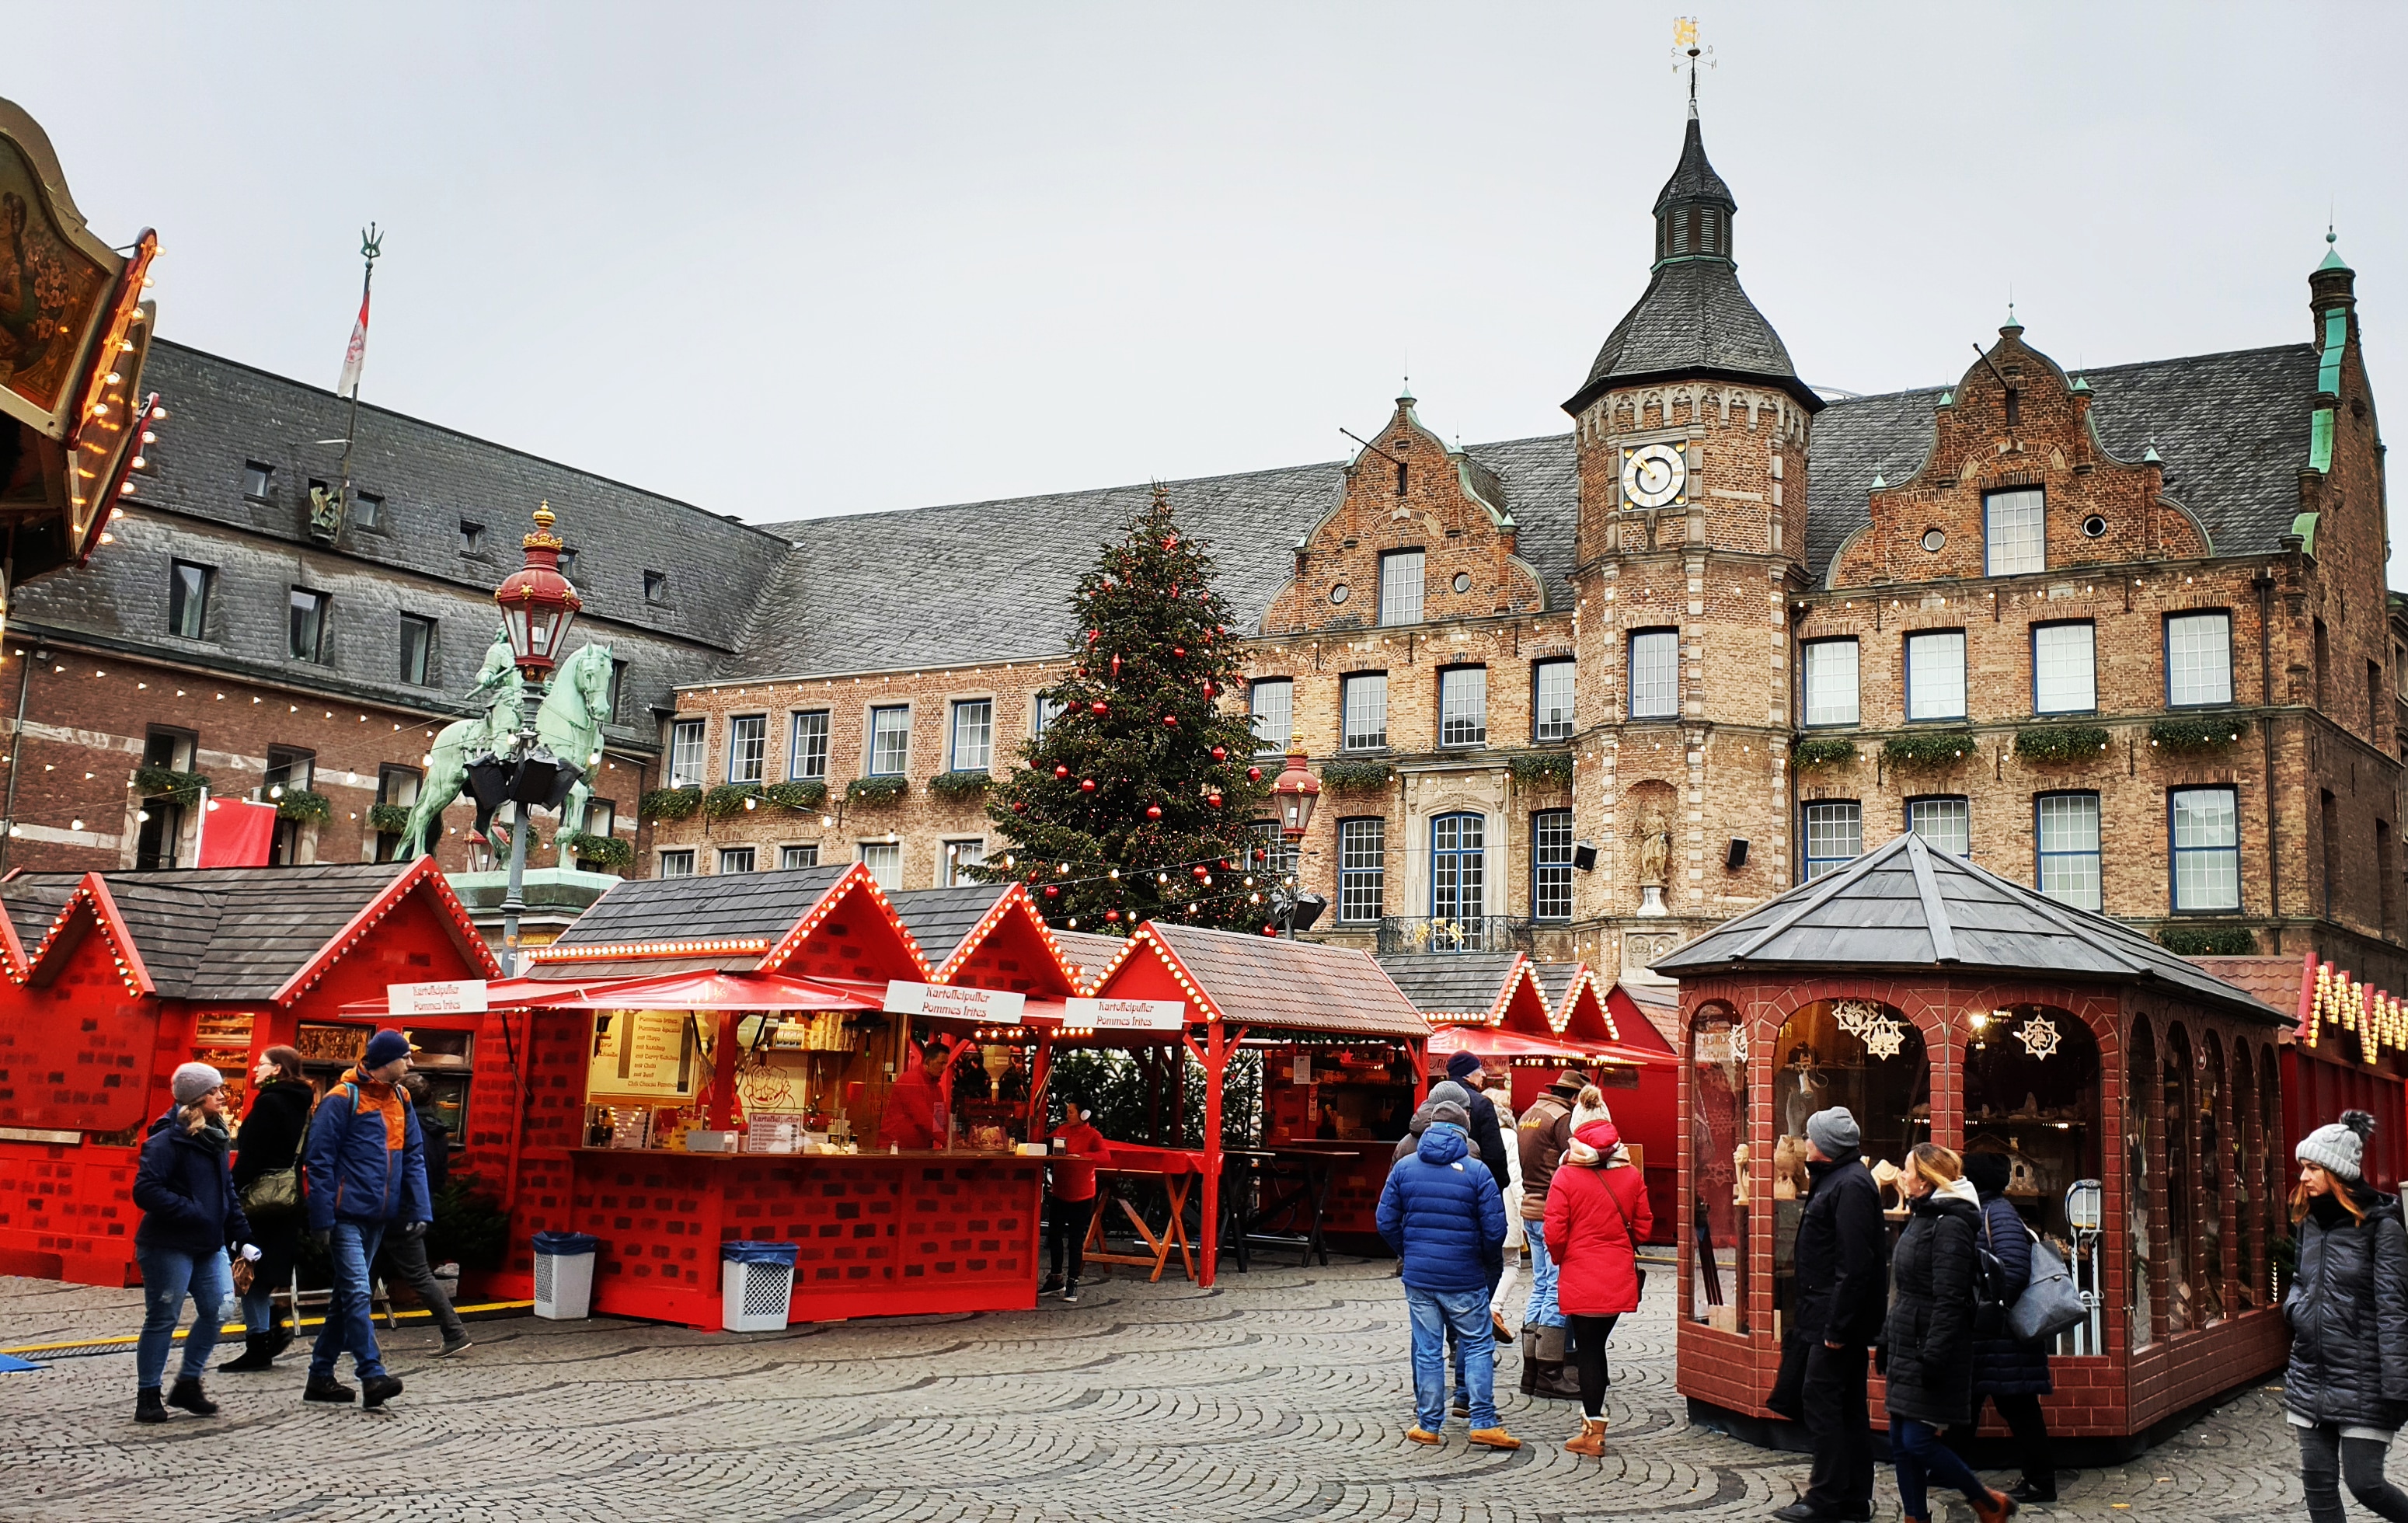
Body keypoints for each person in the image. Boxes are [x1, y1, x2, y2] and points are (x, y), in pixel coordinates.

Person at [1880, 1143, 2016, 1523]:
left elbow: (1950, 1298)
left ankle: (1988, 1503)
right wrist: (1887, 1338)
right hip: (1909, 1342)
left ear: (1925, 1180)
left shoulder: (1951, 1224)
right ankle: (1915, 1517)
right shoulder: (1924, 1216)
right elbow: (1904, 1287)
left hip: (1933, 1347)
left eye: (1907, 1170)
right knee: (1900, 1441)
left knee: (1917, 1440)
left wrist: (1935, 1355)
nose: (1902, 1175)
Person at [2284, 1110, 2408, 1523]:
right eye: (2303, 1167)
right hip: (2312, 1370)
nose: (2303, 1176)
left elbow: (2394, 1308)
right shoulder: (2309, 1221)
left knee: (2366, 1483)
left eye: (2313, 1168)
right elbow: (2299, 1279)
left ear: (2338, 1173)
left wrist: (2397, 1386)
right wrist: (2296, 1309)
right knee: (2317, 1484)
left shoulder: (2382, 1227)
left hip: (2365, 1377)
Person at [1772, 1107, 1889, 1523]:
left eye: (1809, 1136)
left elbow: (1856, 1265)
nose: (1804, 1142)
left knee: (1824, 1405)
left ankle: (1827, 1498)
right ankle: (1852, 1497)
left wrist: (1838, 1326)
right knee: (1845, 1406)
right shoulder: (1839, 1180)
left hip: (1833, 1320)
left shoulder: (1850, 1185)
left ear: (1824, 1145)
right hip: (1825, 1314)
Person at [302, 1028, 428, 1411]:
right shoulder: (343, 1099)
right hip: (346, 1215)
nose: (410, 1063)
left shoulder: (401, 1098)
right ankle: (371, 1373)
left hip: (377, 1214)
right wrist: (323, 1218)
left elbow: (414, 1155)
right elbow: (318, 1161)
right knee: (358, 1291)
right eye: (405, 1057)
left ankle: (320, 1376)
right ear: (386, 1060)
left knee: (347, 1296)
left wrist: (420, 1208)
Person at [1376, 1111, 1518, 1451]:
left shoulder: (1405, 1168)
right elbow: (1496, 1230)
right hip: (1465, 1277)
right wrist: (1481, 1259)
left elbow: (1385, 1220)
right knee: (1478, 1344)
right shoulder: (1478, 1172)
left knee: (1427, 1349)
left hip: (1420, 1277)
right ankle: (1483, 1421)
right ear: (1464, 1135)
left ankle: (1428, 1424)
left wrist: (1408, 1250)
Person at [131, 1063, 257, 1423]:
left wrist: (243, 1236)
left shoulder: (215, 1137)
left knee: (220, 1307)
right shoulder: (166, 1139)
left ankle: (188, 1382)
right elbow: (146, 1191)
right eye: (216, 1090)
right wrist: (194, 1211)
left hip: (209, 1243)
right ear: (198, 1098)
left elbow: (227, 1191)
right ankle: (148, 1395)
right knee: (164, 1316)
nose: (223, 1095)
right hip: (168, 1243)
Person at [1946, 1151, 2056, 1505]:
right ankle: (1951, 1468)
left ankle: (2041, 1482)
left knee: (2018, 1408)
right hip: (1990, 1338)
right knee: (1969, 1402)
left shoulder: (1998, 1214)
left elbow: (2012, 1271)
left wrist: (1985, 1309)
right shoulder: (1988, 1210)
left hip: (2001, 1337)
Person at [1544, 1116, 1652, 1456]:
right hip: (1616, 1276)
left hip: (1580, 1273)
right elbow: (1645, 1229)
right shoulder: (1632, 1176)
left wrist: (1563, 1258)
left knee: (1589, 1351)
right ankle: (1593, 1427)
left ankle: (1592, 1433)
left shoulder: (1565, 1176)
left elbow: (1554, 1233)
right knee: (1597, 1347)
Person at [221, 1046, 312, 1373]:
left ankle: (259, 1344)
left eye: (261, 1065)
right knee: (261, 1274)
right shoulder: (303, 1102)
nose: (254, 1070)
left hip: (258, 1202)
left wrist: (227, 1191)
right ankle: (266, 1331)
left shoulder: (269, 1104)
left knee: (250, 1272)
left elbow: (251, 1157)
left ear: (277, 1070)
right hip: (286, 1200)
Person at [372, 1074, 472, 1356]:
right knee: (366, 1269)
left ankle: (454, 1331)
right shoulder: (439, 1131)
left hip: (395, 1207)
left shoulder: (403, 1125)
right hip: (414, 1207)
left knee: (406, 1273)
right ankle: (347, 1333)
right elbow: (439, 1178)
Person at [1516, 1068, 1584, 1396]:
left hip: (1530, 1207)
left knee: (1541, 1285)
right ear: (1574, 1097)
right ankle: (1550, 1371)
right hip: (1552, 1210)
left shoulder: (1530, 1114)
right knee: (1558, 1287)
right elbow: (1576, 1162)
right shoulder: (1562, 1119)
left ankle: (1530, 1370)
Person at [1444, 1052, 1516, 1348]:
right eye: (1478, 1072)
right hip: (1475, 1196)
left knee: (1448, 1270)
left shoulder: (1433, 1101)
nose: (1483, 1077)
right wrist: (1497, 1189)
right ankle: (1473, 1331)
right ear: (1467, 1075)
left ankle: (1453, 1337)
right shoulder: (1482, 1104)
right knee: (1489, 1264)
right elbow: (1496, 1156)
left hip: (1441, 1198)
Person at [1042, 1096, 1111, 1303]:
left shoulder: (1093, 1135)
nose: (1067, 1114)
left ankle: (1073, 1281)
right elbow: (1047, 1142)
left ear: (1084, 1114)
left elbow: (1105, 1156)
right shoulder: (1062, 1130)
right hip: (1060, 1191)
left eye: (1071, 1111)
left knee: (1075, 1241)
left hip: (1082, 1195)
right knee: (1054, 1237)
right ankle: (1055, 1278)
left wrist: (1081, 1157)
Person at [879, 1040, 950, 1150]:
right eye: (941, 1063)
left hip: (916, 1149)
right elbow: (923, 1117)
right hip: (894, 1148)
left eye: (945, 1064)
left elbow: (940, 1119)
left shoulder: (935, 1087)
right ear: (928, 1061)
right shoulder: (910, 1080)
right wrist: (948, 1141)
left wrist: (955, 1140)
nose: (944, 1068)